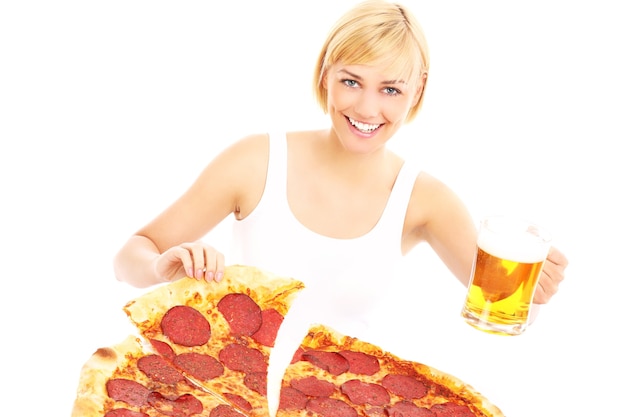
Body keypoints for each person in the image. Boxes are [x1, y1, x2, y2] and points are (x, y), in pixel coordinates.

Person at [113, 0, 568, 335]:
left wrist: (534, 291)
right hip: (238, 392)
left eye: (391, 89)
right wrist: (159, 268)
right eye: (351, 81)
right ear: (325, 73)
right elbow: (131, 255)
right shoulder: (256, 161)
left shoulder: (426, 199)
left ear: (418, 89)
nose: (367, 108)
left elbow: (498, 303)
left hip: (350, 394)